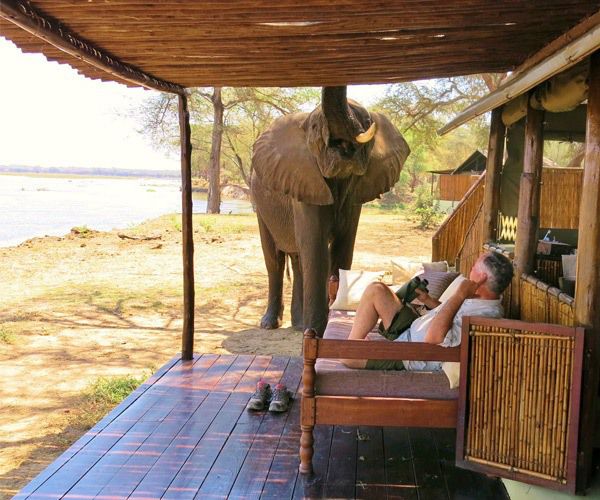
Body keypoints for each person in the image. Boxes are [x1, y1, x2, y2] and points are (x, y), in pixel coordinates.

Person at [341, 251, 514, 370]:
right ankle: (357, 343)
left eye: (474, 268)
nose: (470, 271)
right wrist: (429, 301)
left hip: (411, 353)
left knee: (347, 356)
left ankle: (356, 348)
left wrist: (460, 295)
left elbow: (433, 339)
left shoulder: (485, 316)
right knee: (377, 290)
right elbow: (448, 316)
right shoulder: (479, 299)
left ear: (483, 278)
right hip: (412, 329)